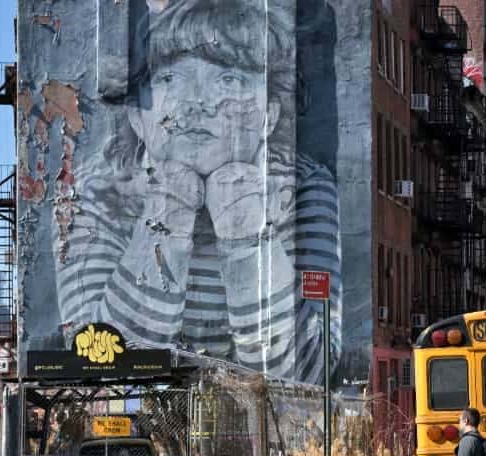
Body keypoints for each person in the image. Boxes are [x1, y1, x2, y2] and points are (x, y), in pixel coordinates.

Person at [52, 0, 340, 384]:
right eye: (171, 79)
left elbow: (308, 373)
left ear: (269, 115)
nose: (198, 102)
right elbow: (98, 365)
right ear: (138, 115)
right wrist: (165, 219)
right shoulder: (95, 194)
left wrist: (246, 241)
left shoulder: (305, 187)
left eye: (229, 80)